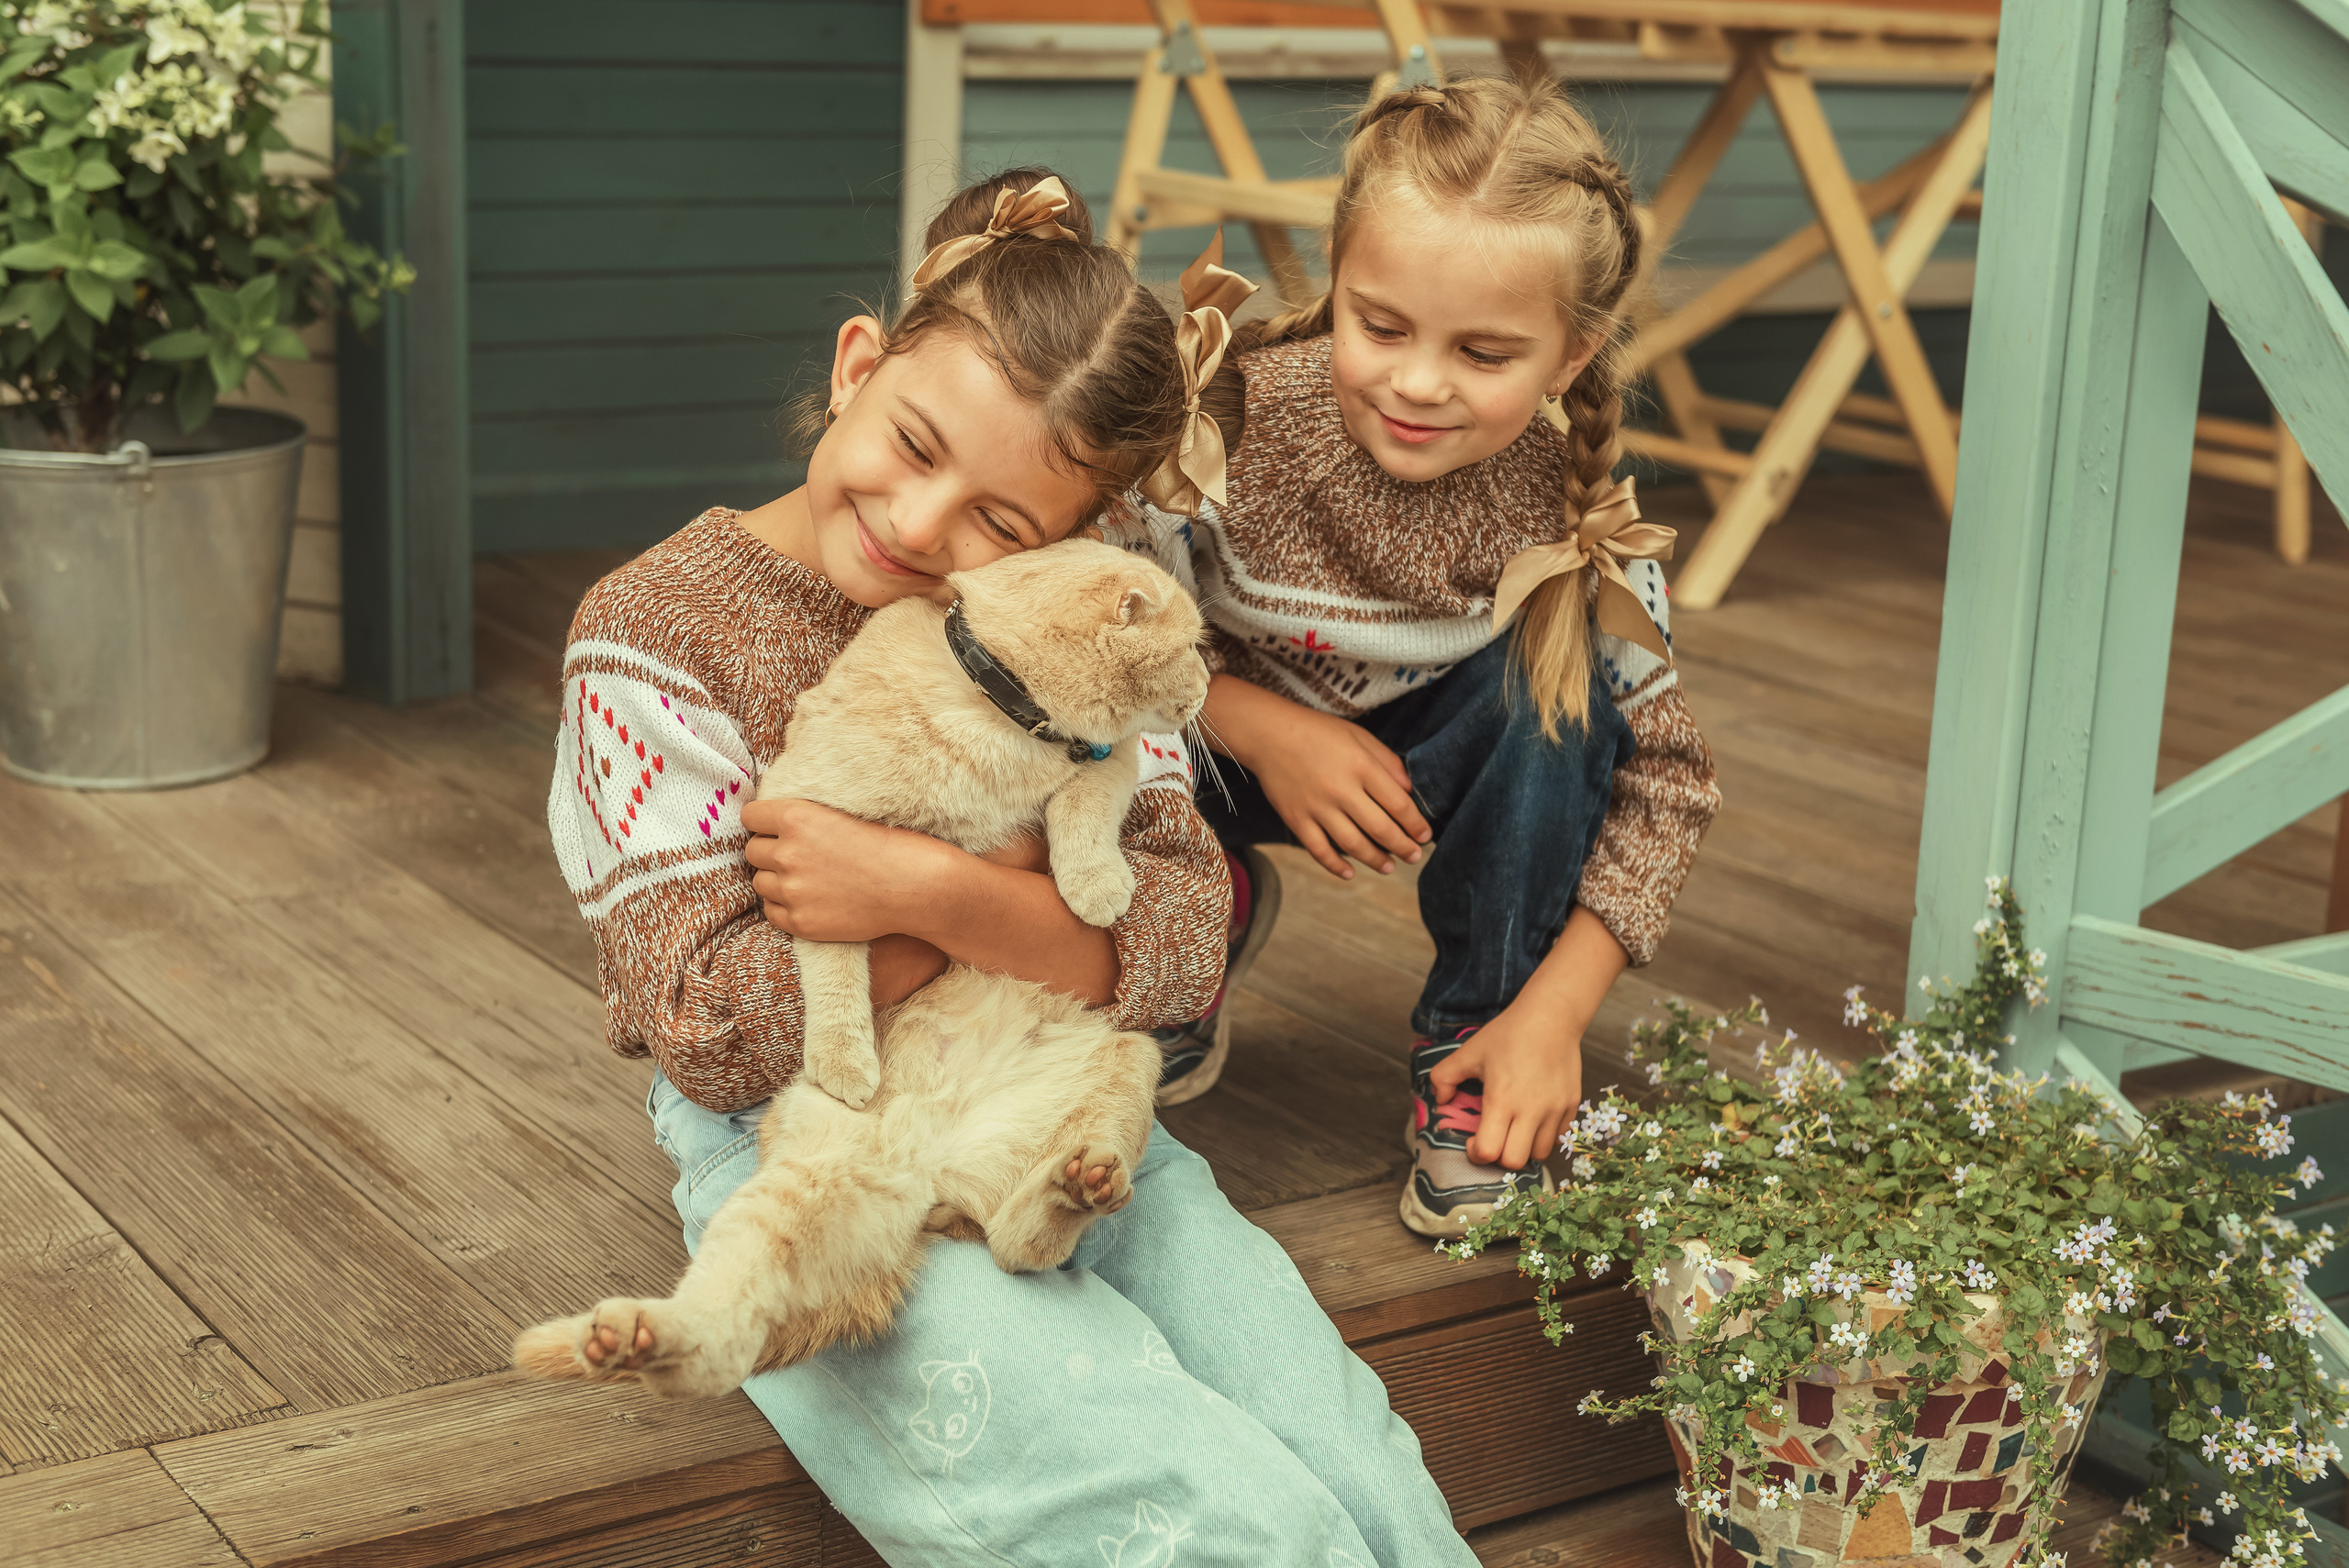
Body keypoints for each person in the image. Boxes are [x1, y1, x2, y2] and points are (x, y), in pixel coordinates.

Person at [545, 167, 1479, 1565]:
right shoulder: (658, 632)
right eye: (914, 445)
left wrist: (918, 893)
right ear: (860, 366)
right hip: (816, 1146)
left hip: (1071, 1107)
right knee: (1236, 1519)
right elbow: (718, 1030)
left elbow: (1182, 938)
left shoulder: (1065, 635)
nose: (924, 528)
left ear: (1074, 544)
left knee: (1362, 1466)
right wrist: (1041, 916)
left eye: (1001, 523)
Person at [1141, 73, 1724, 1239]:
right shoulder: (1228, 421)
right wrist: (1261, 724)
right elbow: (1082, 618)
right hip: (1206, 747)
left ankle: (1478, 1044)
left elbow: (1668, 778)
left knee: (1559, 706)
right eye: (1383, 325)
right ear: (1339, 274)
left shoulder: (1578, 521)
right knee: (1055, 693)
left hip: (1425, 768)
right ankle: (1187, 909)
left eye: (1484, 352)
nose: (1417, 382)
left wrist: (1558, 1012)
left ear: (1571, 352)